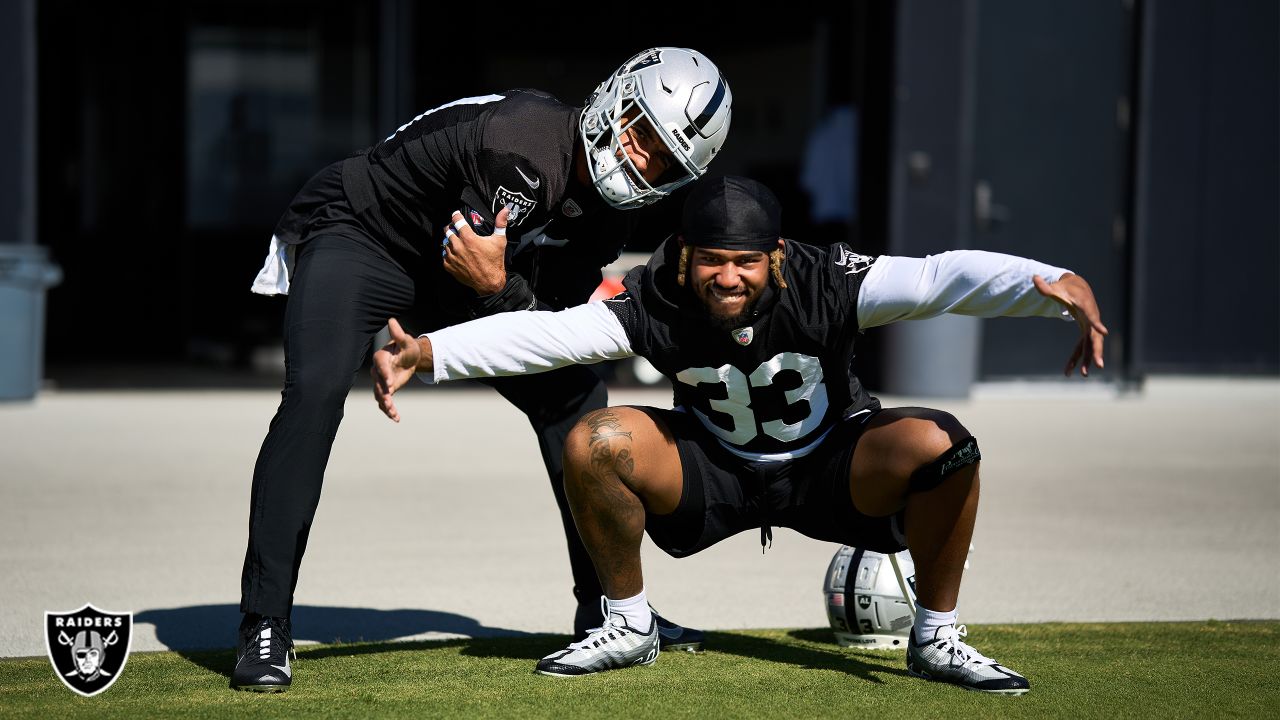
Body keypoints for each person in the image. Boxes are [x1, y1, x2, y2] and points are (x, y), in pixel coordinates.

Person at [371, 176, 1107, 694]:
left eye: (746, 262)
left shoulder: (828, 279)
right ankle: (627, 625)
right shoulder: (654, 294)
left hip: (828, 464)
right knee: (593, 439)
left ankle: (937, 636)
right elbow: (553, 338)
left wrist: (1045, 282)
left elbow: (937, 279)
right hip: (712, 470)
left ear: (777, 255)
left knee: (945, 444)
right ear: (685, 253)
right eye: (713, 261)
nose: (728, 279)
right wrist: (432, 353)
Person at [233, 47, 733, 692]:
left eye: (665, 160)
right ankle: (264, 622)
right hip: (367, 235)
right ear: (615, 96)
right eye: (641, 133)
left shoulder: (614, 211)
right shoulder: (523, 151)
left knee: (579, 401)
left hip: (460, 275)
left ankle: (611, 613)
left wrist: (441, 338)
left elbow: (541, 316)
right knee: (315, 392)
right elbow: (475, 274)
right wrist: (472, 317)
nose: (641, 161)